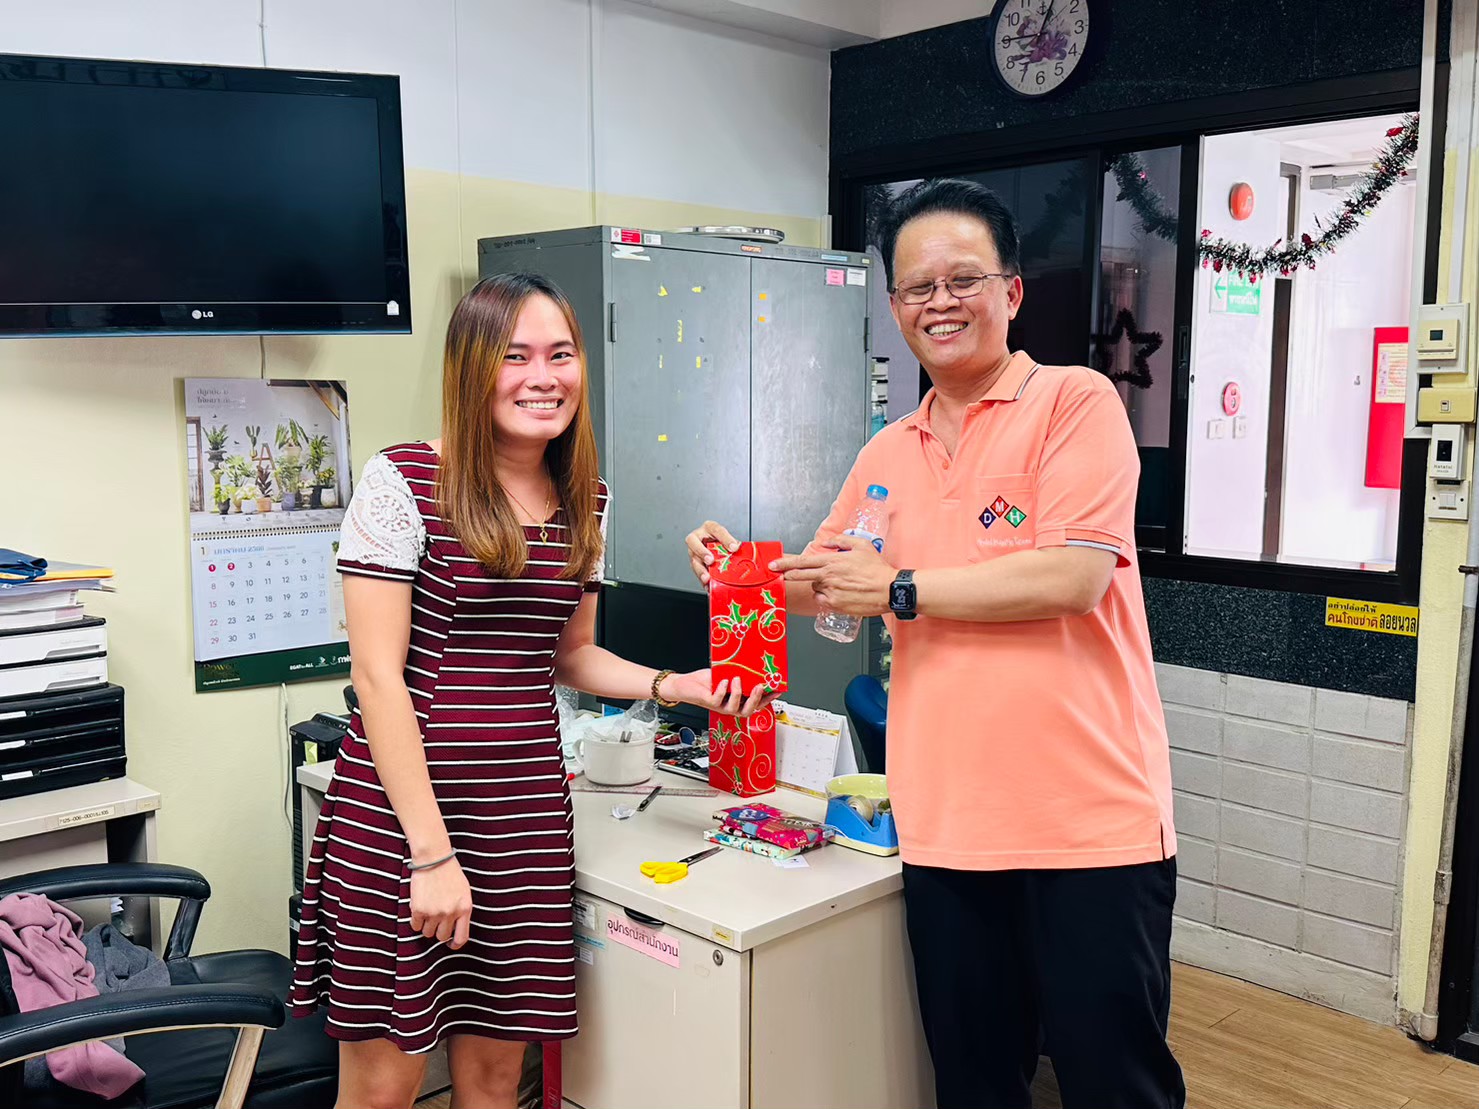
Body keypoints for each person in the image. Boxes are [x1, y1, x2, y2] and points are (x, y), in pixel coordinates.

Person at [686, 179, 1185, 1109]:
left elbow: (1071, 578)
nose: (939, 302)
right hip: (947, 829)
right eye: (917, 287)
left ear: (1011, 291)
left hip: (1089, 830)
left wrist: (899, 589)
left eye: (963, 280)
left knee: (1114, 1086)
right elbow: (827, 581)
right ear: (895, 306)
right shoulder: (887, 451)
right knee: (973, 1084)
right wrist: (740, 570)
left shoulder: (1074, 404)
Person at [291, 272, 774, 1109]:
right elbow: (377, 678)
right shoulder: (403, 480)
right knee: (384, 1089)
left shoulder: (586, 498)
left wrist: (675, 684)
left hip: (522, 822)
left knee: (491, 1081)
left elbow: (571, 655)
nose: (541, 377)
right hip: (406, 821)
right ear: (472, 367)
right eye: (514, 356)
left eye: (560, 354)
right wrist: (431, 854)